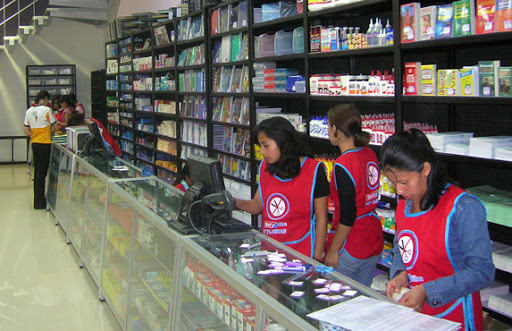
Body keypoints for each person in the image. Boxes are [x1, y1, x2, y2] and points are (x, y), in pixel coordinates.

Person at [380, 129, 494, 330]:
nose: (398, 190)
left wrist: (428, 291)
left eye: (404, 182)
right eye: (392, 182)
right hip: (417, 315)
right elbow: (402, 249)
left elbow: (482, 271)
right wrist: (400, 273)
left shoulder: (462, 207)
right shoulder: (404, 206)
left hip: (455, 315)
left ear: (425, 169)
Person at [235, 116, 329, 260]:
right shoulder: (264, 168)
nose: (262, 151)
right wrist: (234, 202)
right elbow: (257, 205)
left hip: (302, 252)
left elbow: (322, 219)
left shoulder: (314, 170)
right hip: (270, 250)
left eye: (266, 145)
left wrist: (316, 260)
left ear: (282, 142)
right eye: (260, 146)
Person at [323, 104, 383, 287]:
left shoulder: (343, 165)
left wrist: (333, 251)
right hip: (373, 236)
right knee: (362, 296)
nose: (327, 130)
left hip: (351, 241)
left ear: (336, 130)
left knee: (336, 297)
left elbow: (348, 216)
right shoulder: (369, 153)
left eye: (329, 126)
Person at [24, 90, 58, 209]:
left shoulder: (29, 111)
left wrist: (33, 135)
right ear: (43, 99)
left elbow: (26, 129)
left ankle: (38, 200)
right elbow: (56, 126)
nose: (48, 102)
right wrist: (51, 133)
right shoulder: (47, 110)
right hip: (45, 144)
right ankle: (40, 202)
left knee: (37, 171)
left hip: (35, 144)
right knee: (42, 172)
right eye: (47, 100)